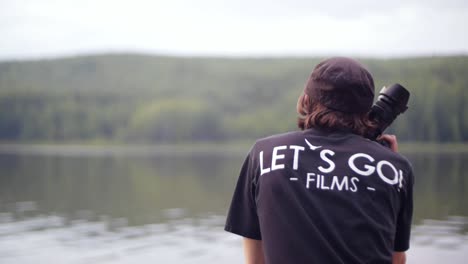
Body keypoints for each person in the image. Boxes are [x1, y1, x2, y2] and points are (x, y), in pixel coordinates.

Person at [224, 57, 414, 264]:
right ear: (367, 111)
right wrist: (389, 165)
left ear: (305, 100)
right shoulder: (395, 168)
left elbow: (254, 261)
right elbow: (396, 259)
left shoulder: (264, 154)